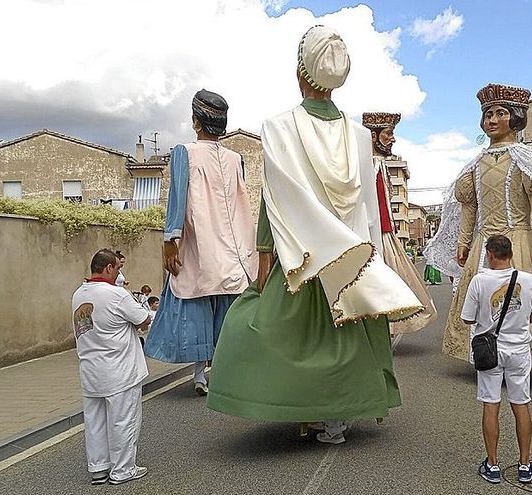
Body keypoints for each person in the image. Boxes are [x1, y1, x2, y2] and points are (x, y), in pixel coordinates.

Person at [206, 26, 423, 444]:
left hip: (300, 257)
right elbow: (365, 209)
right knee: (345, 338)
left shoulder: (279, 128)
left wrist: (264, 255)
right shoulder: (360, 138)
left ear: (301, 73)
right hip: (350, 259)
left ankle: (303, 409)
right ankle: (339, 418)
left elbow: (275, 201)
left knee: (278, 333)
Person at [424, 82, 532, 364]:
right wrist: (464, 242)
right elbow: (469, 207)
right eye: (488, 114)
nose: (492, 120)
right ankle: (484, 351)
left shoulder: (528, 160)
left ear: (515, 117)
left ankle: (518, 353)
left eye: (500, 113)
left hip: (519, 242)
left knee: (521, 297)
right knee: (480, 299)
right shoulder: (474, 164)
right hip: (483, 245)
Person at [144, 89, 258, 397]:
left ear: (196, 122)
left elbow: (177, 197)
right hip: (233, 249)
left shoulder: (185, 152)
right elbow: (242, 202)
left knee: (197, 309)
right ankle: (222, 373)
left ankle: (200, 374)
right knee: (225, 312)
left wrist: (171, 239)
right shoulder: (237, 159)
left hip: (199, 243)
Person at [461, 235, 532, 485]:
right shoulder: (528, 280)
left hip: (490, 351)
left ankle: (492, 465)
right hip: (519, 350)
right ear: (511, 253)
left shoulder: (479, 281)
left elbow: (467, 319)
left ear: (490, 254)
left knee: (491, 404)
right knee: (521, 404)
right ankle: (525, 465)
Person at [71, 249, 151, 485]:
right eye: (117, 268)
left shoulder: (78, 294)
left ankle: (98, 468)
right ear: (108, 268)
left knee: (95, 421)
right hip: (119, 370)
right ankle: (123, 470)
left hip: (90, 369)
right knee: (123, 420)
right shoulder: (117, 294)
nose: (119, 273)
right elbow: (143, 318)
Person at [362, 111, 437, 334]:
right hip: (375, 233)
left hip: (385, 233)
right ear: (374, 136)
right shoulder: (370, 166)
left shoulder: (380, 165)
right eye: (388, 134)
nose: (392, 139)